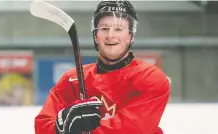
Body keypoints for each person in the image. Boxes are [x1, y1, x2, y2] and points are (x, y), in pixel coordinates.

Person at [34, 0, 170, 134]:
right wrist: (60, 128)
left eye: (118, 29)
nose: (111, 35)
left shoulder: (150, 78)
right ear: (96, 35)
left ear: (130, 36)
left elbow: (133, 129)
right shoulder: (72, 79)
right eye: (104, 29)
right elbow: (42, 125)